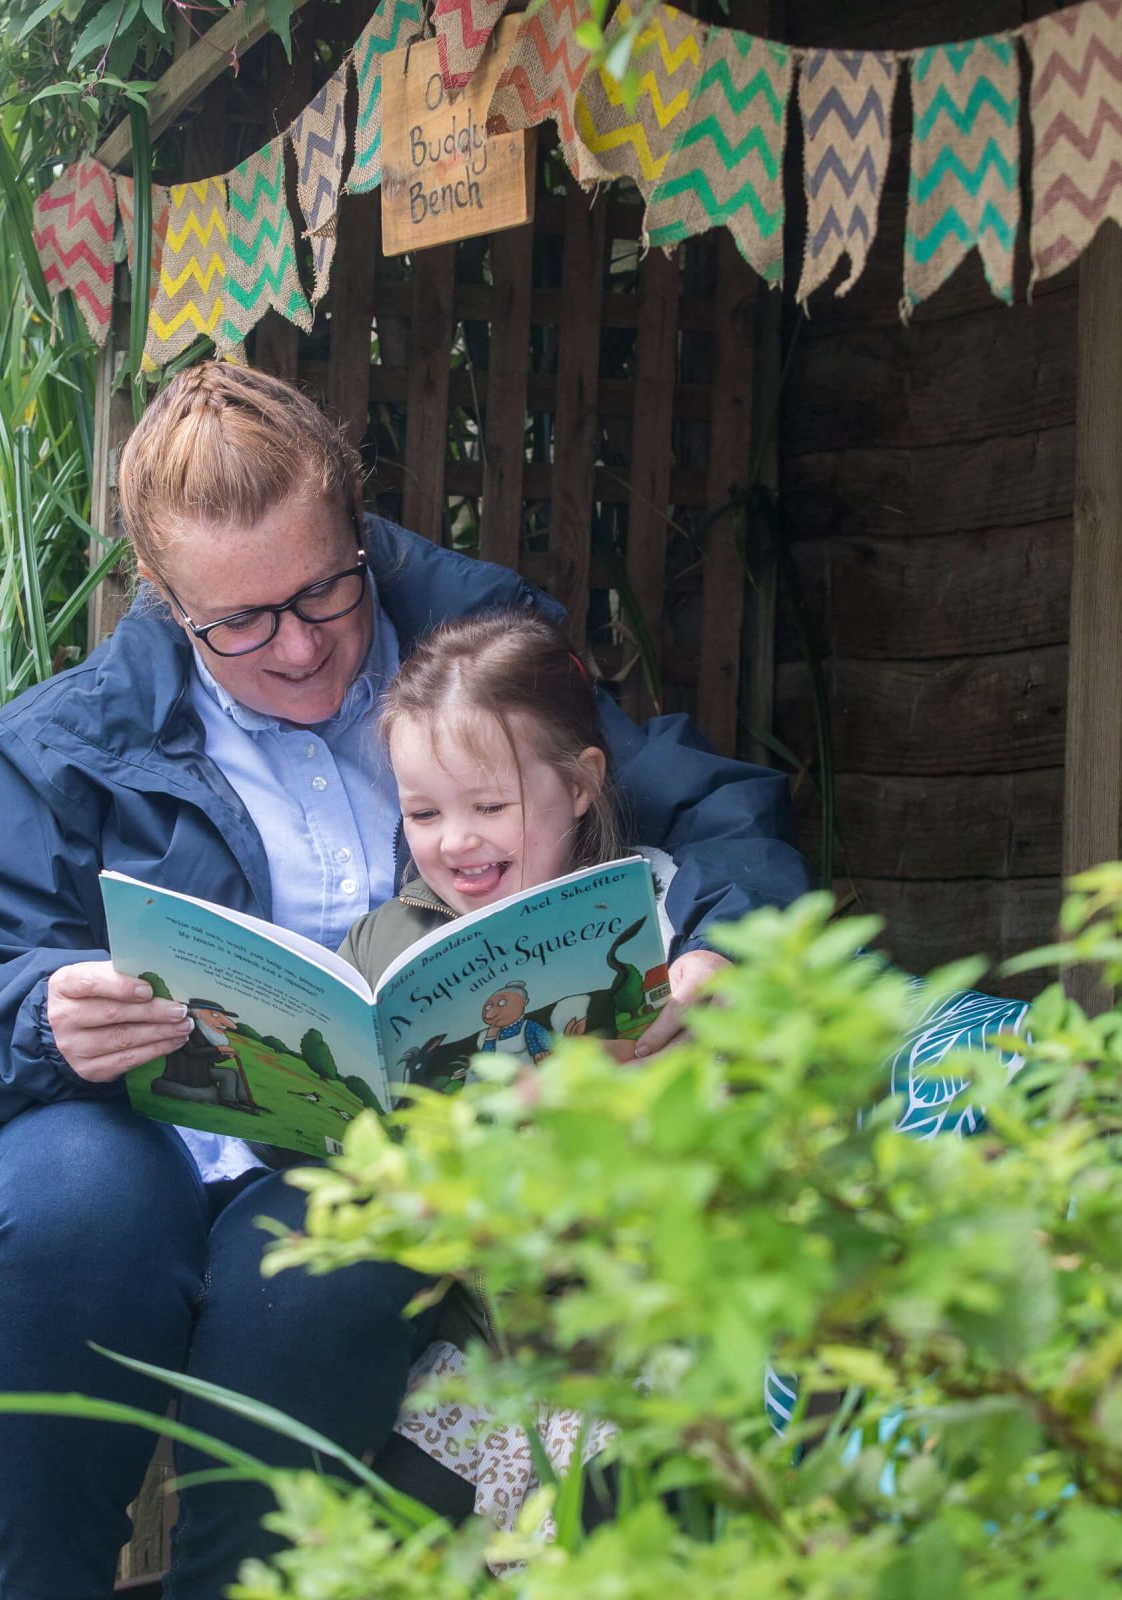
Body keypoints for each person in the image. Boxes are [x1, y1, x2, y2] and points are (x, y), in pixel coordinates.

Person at [0, 363, 807, 1600]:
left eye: (322, 591)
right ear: (163, 596)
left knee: (330, 1255)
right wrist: (42, 1011)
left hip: (351, 1149)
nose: (298, 646)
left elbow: (713, 812)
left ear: (358, 527)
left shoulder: (471, 664)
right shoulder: (69, 741)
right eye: (240, 623)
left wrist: (721, 949)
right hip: (125, 1126)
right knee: (74, 1208)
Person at [339, 609, 679, 1534]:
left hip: (629, 1323)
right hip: (475, 1333)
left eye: (489, 807)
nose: (455, 841)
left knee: (602, 1521)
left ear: (579, 787)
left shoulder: (653, 919)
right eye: (423, 812)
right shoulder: (384, 944)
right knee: (392, 1532)